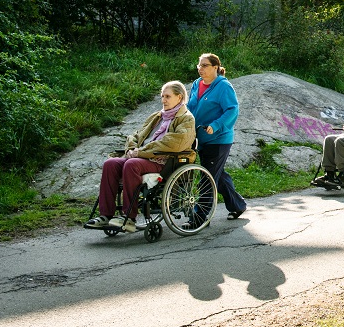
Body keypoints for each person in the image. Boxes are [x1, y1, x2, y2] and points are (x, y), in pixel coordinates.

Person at [85, 81, 196, 233]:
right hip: (140, 156)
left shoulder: (186, 119)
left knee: (132, 165)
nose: (163, 100)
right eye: (162, 96)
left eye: (168, 96)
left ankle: (129, 217)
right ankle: (105, 215)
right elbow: (137, 135)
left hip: (163, 162)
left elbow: (173, 143)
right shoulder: (157, 117)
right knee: (110, 164)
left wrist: (141, 152)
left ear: (179, 97)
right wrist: (132, 148)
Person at [188, 53, 247, 221]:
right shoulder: (197, 84)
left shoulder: (223, 86)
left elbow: (232, 110)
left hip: (218, 139)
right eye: (199, 65)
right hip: (200, 138)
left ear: (215, 67)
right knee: (217, 174)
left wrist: (215, 125)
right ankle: (237, 205)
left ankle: (199, 216)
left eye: (205, 65)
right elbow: (190, 107)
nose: (200, 69)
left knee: (207, 176)